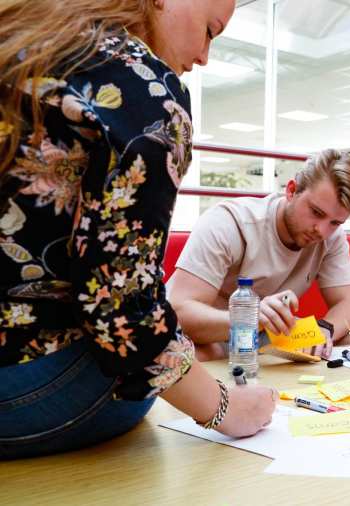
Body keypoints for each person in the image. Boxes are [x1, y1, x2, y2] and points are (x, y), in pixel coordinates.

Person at [0, 0, 276, 459]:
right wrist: (226, 407)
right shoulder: (145, 88)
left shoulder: (34, 37)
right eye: (210, 31)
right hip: (24, 371)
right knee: (140, 380)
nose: (205, 57)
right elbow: (123, 310)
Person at [167, 149, 350, 361]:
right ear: (292, 190)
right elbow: (179, 312)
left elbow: (348, 306)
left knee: (347, 341)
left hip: (267, 337)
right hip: (210, 337)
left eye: (335, 222)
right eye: (316, 213)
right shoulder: (228, 223)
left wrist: (323, 331)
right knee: (185, 354)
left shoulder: (331, 237)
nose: (322, 230)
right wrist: (250, 319)